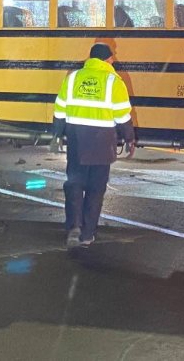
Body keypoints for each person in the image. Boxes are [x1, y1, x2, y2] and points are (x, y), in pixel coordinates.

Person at [51, 42, 135, 248]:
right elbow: (123, 115)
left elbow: (59, 111)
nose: (114, 59)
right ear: (106, 59)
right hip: (102, 143)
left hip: (77, 141)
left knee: (74, 184)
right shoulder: (113, 81)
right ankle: (87, 233)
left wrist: (56, 136)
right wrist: (129, 138)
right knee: (96, 189)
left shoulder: (73, 78)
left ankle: (73, 227)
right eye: (111, 57)